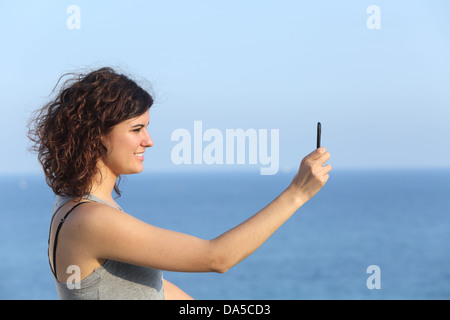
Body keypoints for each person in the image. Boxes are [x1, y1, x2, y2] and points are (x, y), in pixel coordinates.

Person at [28, 67, 332, 300]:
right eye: (137, 129)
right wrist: (297, 193)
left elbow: (150, 287)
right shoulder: (90, 219)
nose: (148, 141)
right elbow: (216, 257)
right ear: (95, 135)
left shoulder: (75, 205)